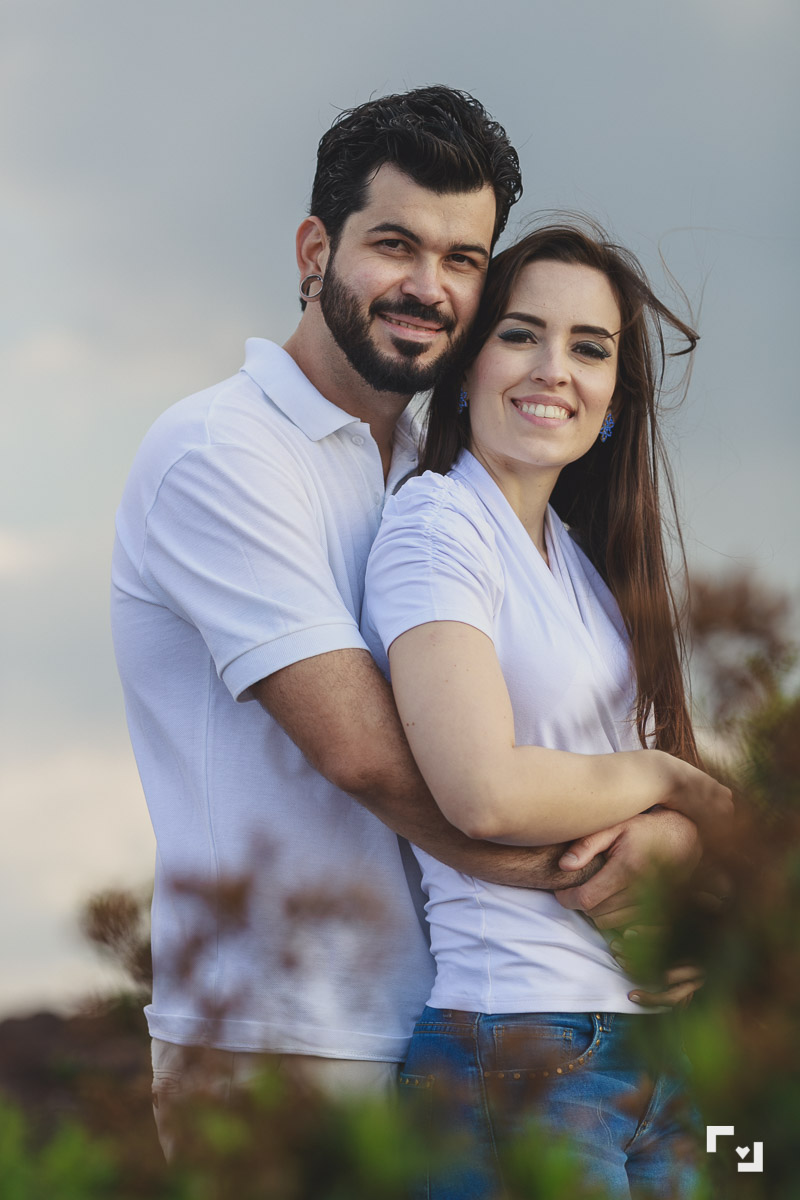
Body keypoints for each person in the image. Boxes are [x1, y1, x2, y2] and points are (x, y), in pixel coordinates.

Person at [111, 87, 704, 1157]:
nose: (429, 287)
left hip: (431, 1026)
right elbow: (375, 759)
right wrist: (615, 870)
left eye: (463, 259)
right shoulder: (224, 453)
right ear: (315, 251)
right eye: (395, 245)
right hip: (276, 1044)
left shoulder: (420, 479)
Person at [362, 221, 733, 1198]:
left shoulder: (583, 567)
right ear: (466, 366)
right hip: (519, 1053)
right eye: (520, 334)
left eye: (589, 348)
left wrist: (678, 850)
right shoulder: (436, 527)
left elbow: (629, 815)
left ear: (614, 400)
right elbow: (482, 789)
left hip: (651, 1060)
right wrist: (667, 781)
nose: (552, 369)